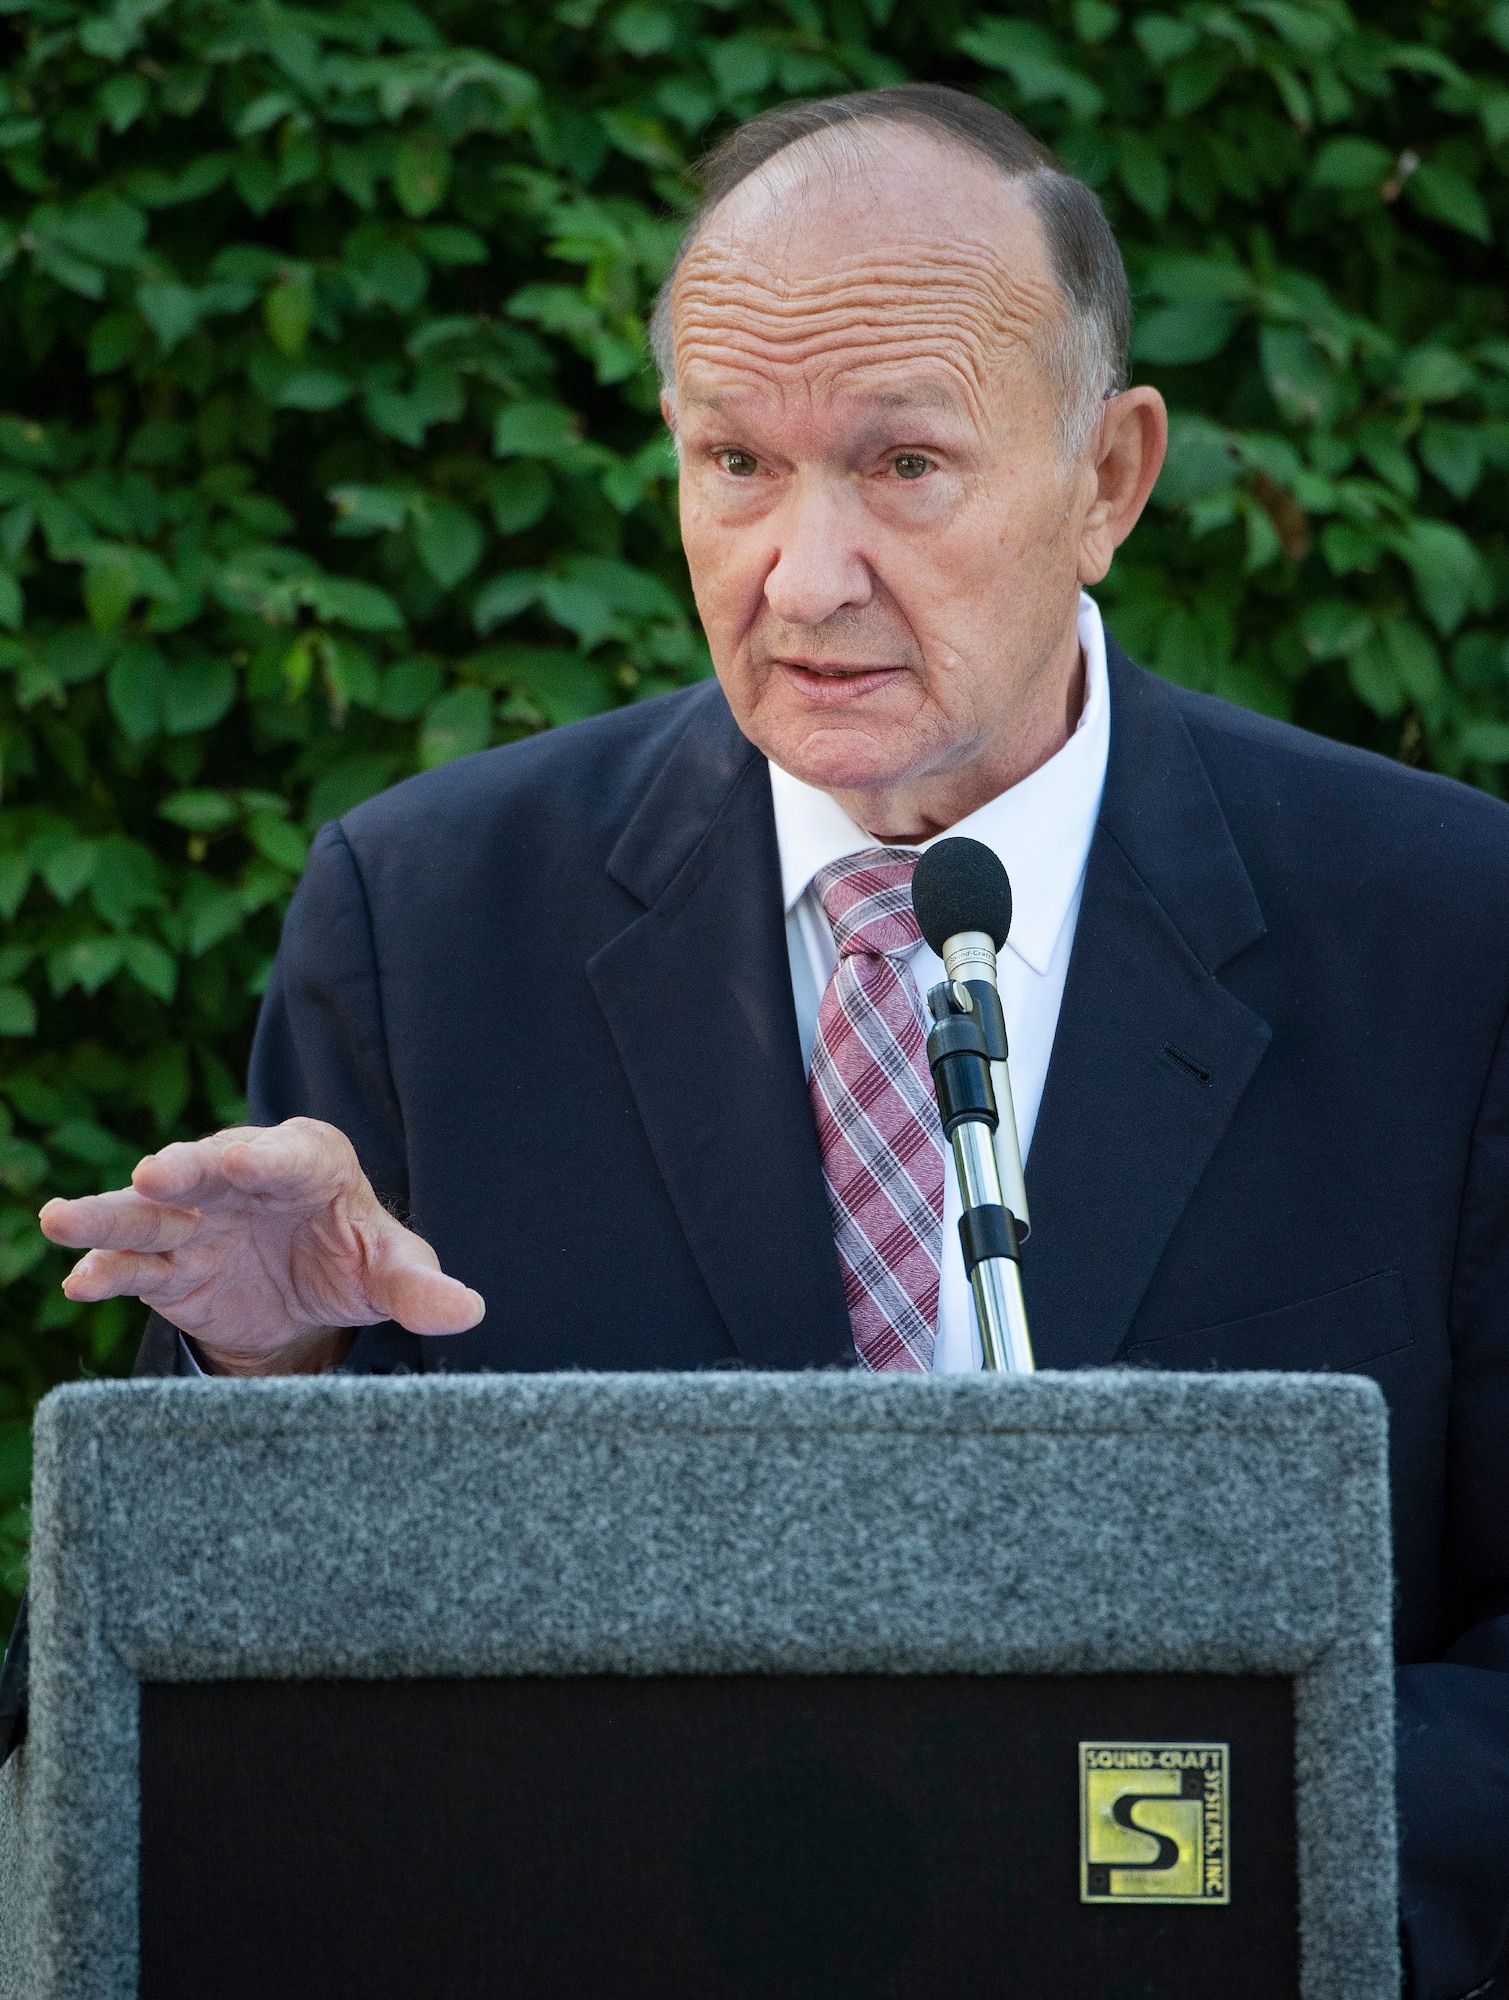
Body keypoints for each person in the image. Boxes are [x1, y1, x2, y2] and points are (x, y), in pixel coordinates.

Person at [19, 84, 1509, 1996]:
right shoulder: (423, 923)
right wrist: (261, 1363)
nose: (801, 581)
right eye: (733, 463)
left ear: (1109, 479)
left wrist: (1155, 1882)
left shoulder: (1445, 933)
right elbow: (197, 1711)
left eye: (902, 464)